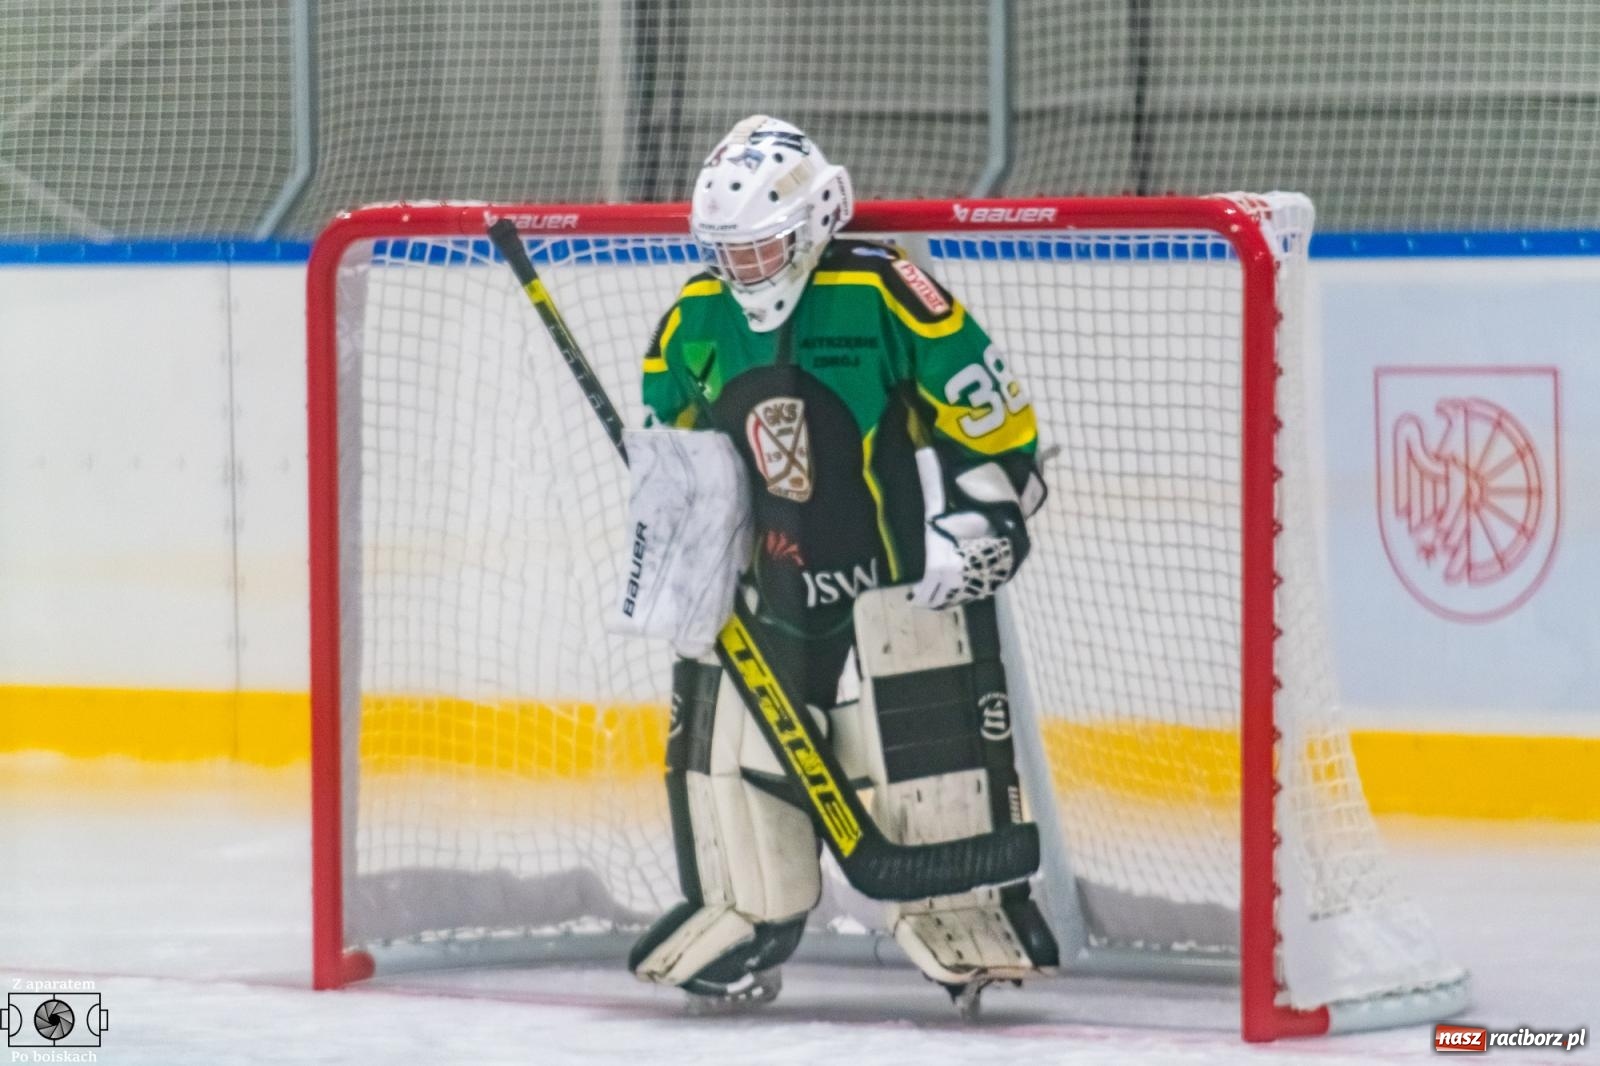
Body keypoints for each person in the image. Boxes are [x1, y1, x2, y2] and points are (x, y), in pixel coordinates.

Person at [619, 115, 1057, 1015]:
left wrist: (988, 515)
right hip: (766, 595)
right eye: (724, 253)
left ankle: (958, 912)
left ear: (820, 217)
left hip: (892, 593)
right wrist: (674, 539)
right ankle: (743, 911)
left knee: (914, 756)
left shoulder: (887, 292)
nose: (741, 272)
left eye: (760, 247)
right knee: (732, 755)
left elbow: (999, 426)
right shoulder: (691, 321)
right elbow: (682, 464)